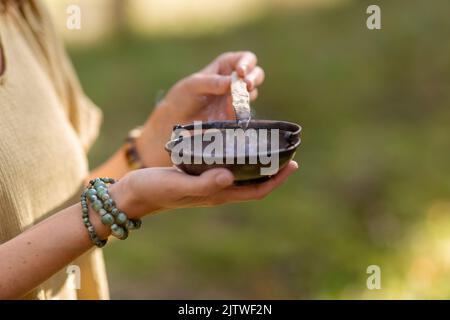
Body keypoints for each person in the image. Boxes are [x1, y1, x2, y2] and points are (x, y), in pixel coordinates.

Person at [0, 0, 298, 299]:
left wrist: (154, 141)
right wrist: (123, 202)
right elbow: (86, 216)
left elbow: (53, 216)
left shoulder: (19, 13)